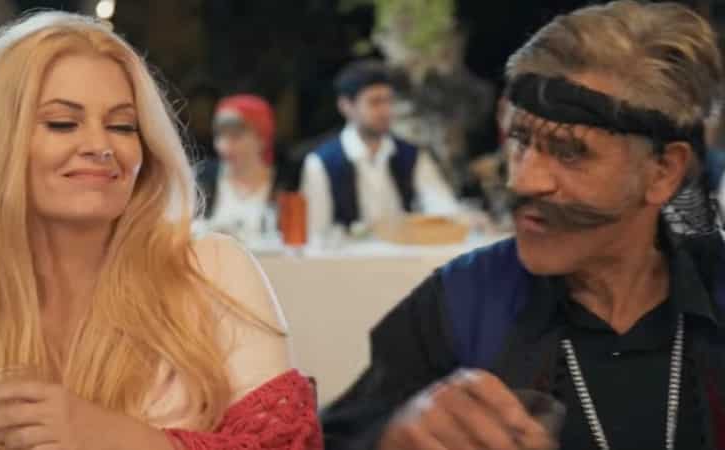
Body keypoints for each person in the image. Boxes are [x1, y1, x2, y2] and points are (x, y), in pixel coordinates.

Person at [321, 2, 725, 450]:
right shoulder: (462, 302)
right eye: (520, 140)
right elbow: (334, 436)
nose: (522, 180)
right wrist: (391, 438)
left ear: (662, 172)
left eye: (569, 152)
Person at [0, 11, 321, 450]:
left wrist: (116, 436)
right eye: (62, 123)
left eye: (122, 126)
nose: (101, 146)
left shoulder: (212, 272)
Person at [300, 60, 461, 239]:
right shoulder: (322, 162)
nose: (385, 111)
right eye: (375, 102)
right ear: (346, 106)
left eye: (389, 101)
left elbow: (443, 208)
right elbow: (315, 232)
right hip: (347, 254)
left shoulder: (411, 155)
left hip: (406, 252)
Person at [197, 94, 278, 239]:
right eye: (219, 135)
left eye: (236, 136)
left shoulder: (285, 183)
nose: (224, 145)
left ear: (261, 138)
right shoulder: (203, 176)